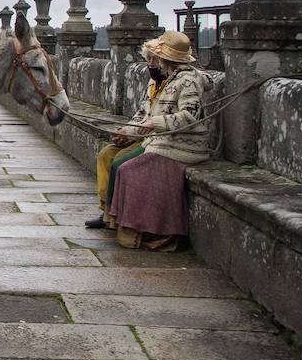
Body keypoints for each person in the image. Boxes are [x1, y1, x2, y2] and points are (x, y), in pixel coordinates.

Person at [86, 31, 211, 250]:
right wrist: (128, 131)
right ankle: (113, 218)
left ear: (167, 59)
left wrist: (155, 123)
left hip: (181, 146)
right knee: (111, 157)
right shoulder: (169, 79)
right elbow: (144, 116)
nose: (154, 62)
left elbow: (189, 116)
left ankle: (137, 230)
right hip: (160, 141)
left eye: (158, 57)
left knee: (125, 168)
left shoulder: (189, 81)